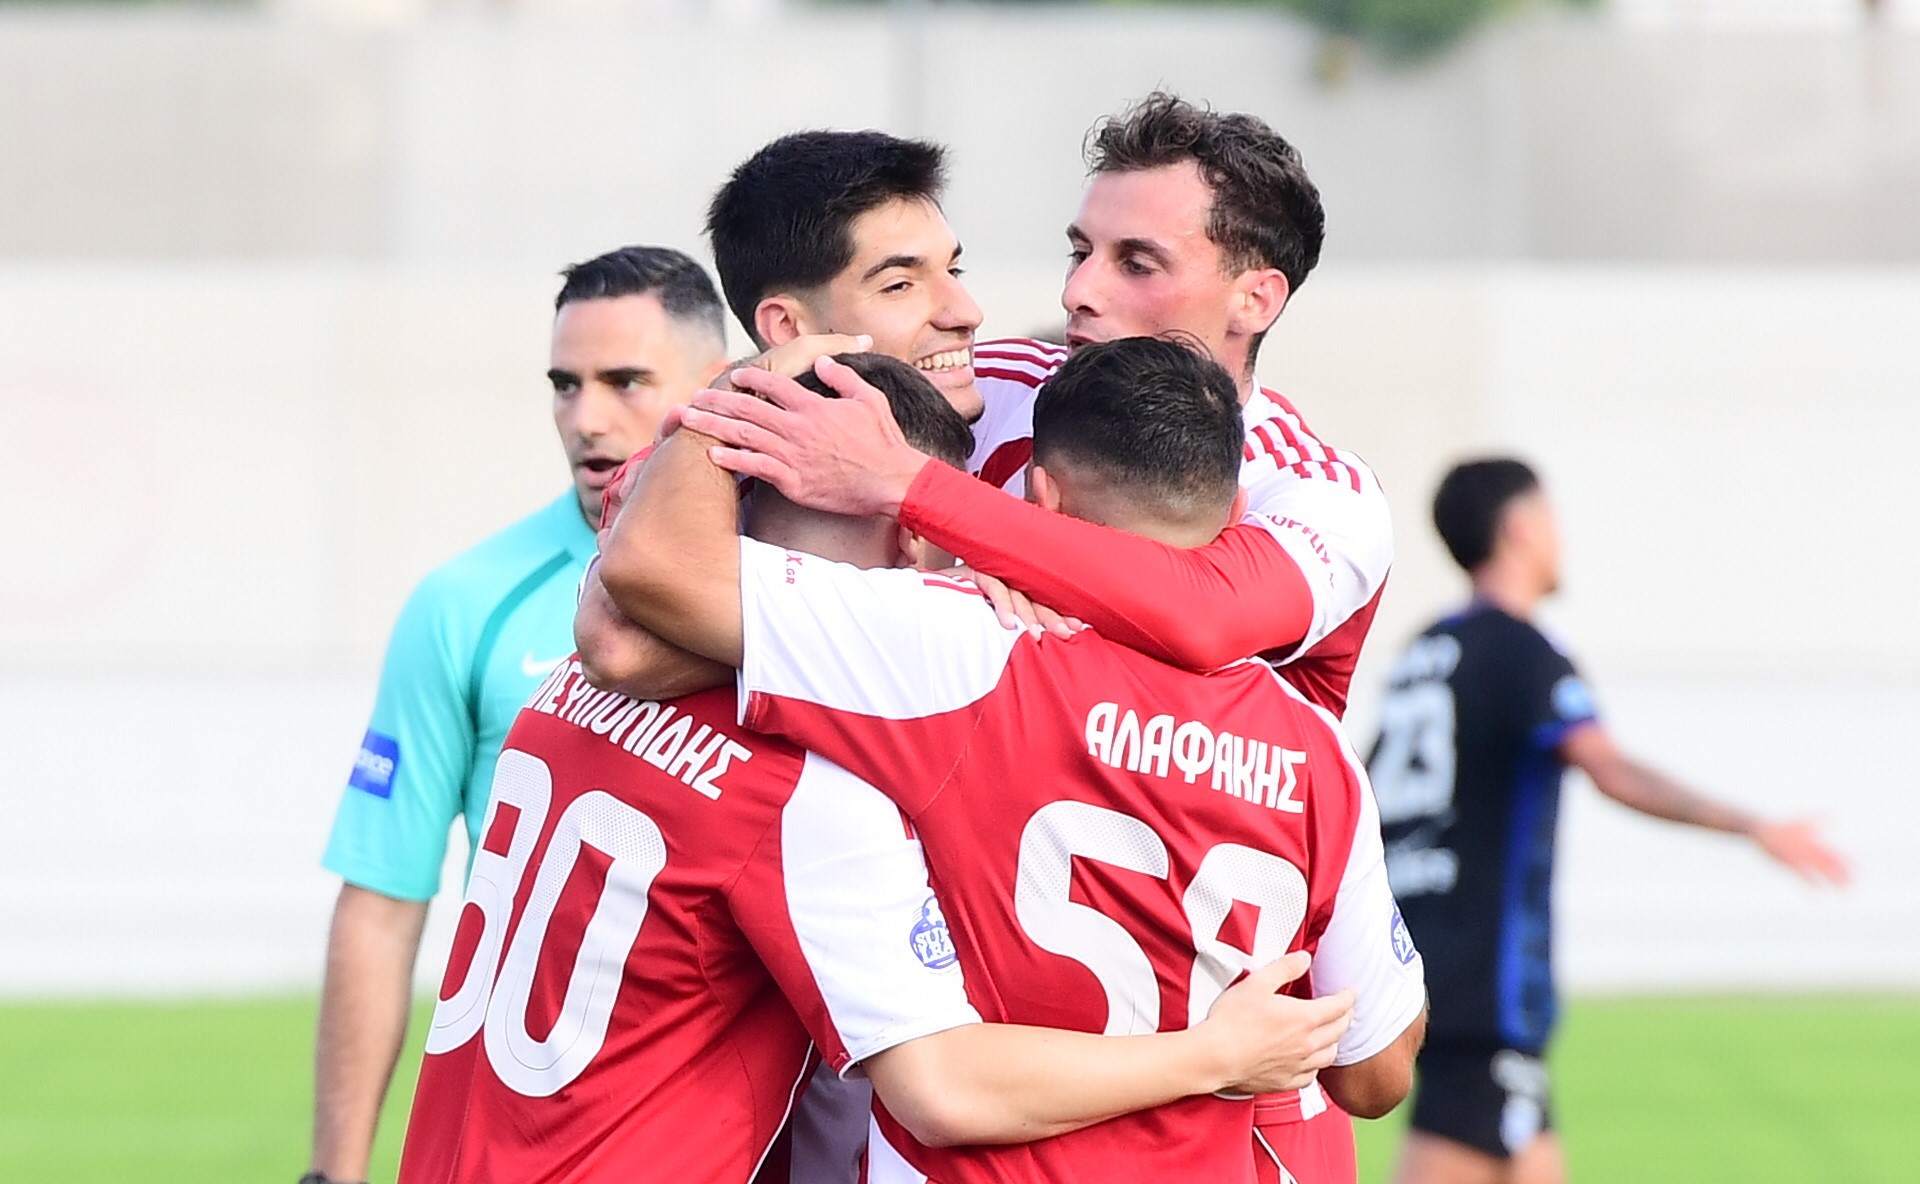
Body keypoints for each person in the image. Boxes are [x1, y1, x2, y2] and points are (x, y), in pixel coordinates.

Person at [398, 353, 1350, 1184]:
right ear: (910, 537)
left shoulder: (580, 676)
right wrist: (1212, 1054)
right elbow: (941, 1088)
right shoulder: (804, 774)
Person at [676, 97, 1388, 1183]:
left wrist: (914, 491)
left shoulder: (1320, 490)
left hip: (1222, 1082)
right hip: (963, 1024)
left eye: (1136, 261)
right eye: (1078, 250)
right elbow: (675, 562)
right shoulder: (995, 385)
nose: (1079, 290)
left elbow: (1203, 611)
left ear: (1257, 297)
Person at [305, 247, 730, 1184]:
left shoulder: (795, 589)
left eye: (624, 381)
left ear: (717, 382)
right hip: (522, 1132)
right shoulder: (465, 604)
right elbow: (380, 905)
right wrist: (331, 1175)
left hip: (734, 1130)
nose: (586, 418)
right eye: (564, 385)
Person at [1371, 458, 1850, 1184]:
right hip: (1486, 991)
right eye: (1552, 516)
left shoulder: (1423, 655)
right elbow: (1610, 769)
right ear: (1520, 528)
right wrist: (1754, 827)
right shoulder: (1522, 650)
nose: (1561, 536)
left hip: (1419, 962)